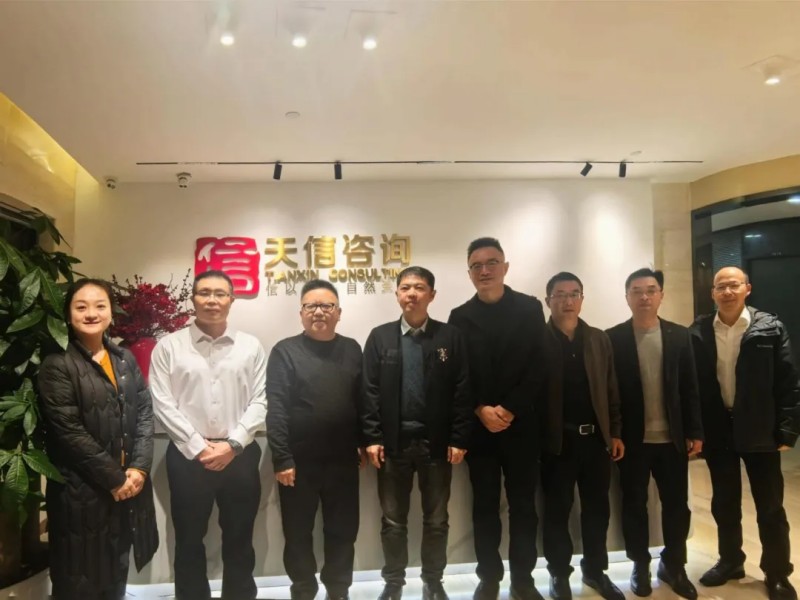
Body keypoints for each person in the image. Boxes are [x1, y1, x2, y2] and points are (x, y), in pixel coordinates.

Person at [38, 278, 159, 600]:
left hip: (126, 489)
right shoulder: (57, 364)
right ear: (68, 315)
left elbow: (144, 413)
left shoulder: (124, 360)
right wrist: (114, 479)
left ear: (111, 313)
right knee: (79, 576)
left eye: (99, 306)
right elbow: (68, 431)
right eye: (81, 307)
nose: (91, 313)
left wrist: (139, 468)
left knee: (116, 570)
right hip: (80, 492)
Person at [150, 270, 267, 600]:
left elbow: (261, 399)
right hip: (188, 458)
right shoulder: (169, 346)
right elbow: (162, 402)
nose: (212, 300)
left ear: (231, 299)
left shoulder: (250, 346)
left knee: (240, 538)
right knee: (188, 539)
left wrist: (233, 444)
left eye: (220, 293)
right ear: (193, 299)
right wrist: (198, 446)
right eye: (204, 293)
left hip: (239, 454)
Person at [690, 266, 800, 600]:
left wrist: (787, 430)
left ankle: (777, 572)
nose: (727, 291)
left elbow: (788, 381)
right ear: (712, 293)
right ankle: (730, 561)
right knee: (724, 502)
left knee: (770, 505)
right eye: (720, 287)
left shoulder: (770, 328)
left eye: (733, 285)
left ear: (747, 289)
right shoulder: (699, 331)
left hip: (760, 427)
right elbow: (693, 386)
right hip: (718, 428)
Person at [362, 266, 472, 600]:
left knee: (436, 520)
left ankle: (433, 582)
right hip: (392, 445)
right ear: (397, 293)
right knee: (393, 521)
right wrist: (372, 437)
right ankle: (393, 583)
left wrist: (458, 438)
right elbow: (369, 391)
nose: (412, 293)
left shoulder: (449, 337)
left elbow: (462, 389)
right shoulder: (380, 337)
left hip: (436, 445)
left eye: (420, 287)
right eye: (405, 287)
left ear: (432, 295)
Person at [447, 237, 546, 600]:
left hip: (522, 426)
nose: (484, 270)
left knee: (524, 508)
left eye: (491, 263)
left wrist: (510, 408)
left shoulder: (530, 308)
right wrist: (480, 409)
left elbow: (539, 365)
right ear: (469, 273)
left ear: (505, 267)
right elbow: (458, 373)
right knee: (485, 508)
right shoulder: (459, 317)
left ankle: (523, 580)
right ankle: (488, 578)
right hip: (480, 429)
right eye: (477, 265)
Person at [606, 268, 703, 600]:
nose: (644, 296)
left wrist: (695, 430)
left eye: (651, 290)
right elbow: (609, 392)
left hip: (672, 440)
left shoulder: (679, 335)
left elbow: (690, 387)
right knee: (634, 505)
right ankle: (639, 564)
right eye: (636, 291)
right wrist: (614, 433)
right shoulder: (613, 338)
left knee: (676, 505)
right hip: (632, 441)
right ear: (627, 297)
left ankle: (674, 565)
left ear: (661, 295)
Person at [267, 279, 364, 600]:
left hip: (344, 461)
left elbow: (363, 400)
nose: (318, 312)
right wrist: (282, 457)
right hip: (298, 463)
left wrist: (364, 440)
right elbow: (276, 407)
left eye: (326, 306)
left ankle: (338, 590)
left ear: (339, 312)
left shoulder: (352, 349)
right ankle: (303, 590)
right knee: (297, 533)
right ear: (301, 313)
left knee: (343, 531)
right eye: (311, 306)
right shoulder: (285, 351)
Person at [540, 272, 624, 600]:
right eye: (560, 294)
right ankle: (559, 574)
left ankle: (595, 571)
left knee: (597, 511)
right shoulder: (538, 340)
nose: (567, 300)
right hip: (556, 444)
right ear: (548, 301)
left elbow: (611, 389)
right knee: (557, 513)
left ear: (582, 299)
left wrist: (614, 432)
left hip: (595, 442)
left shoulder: (598, 339)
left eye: (574, 294)